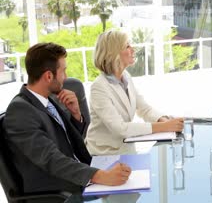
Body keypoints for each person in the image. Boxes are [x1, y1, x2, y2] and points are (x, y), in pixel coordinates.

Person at [3, 43, 131, 198]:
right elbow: (51, 159)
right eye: (63, 71)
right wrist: (101, 176)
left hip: (77, 175)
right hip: (59, 191)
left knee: (130, 179)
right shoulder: (20, 112)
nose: (66, 76)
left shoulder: (46, 100)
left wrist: (76, 115)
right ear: (49, 76)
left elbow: (66, 143)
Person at [86, 30, 184, 155]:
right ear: (113, 54)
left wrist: (163, 120)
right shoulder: (99, 88)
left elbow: (144, 109)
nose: (133, 49)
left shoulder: (125, 76)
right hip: (105, 153)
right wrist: (165, 127)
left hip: (126, 149)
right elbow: (120, 129)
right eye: (127, 46)